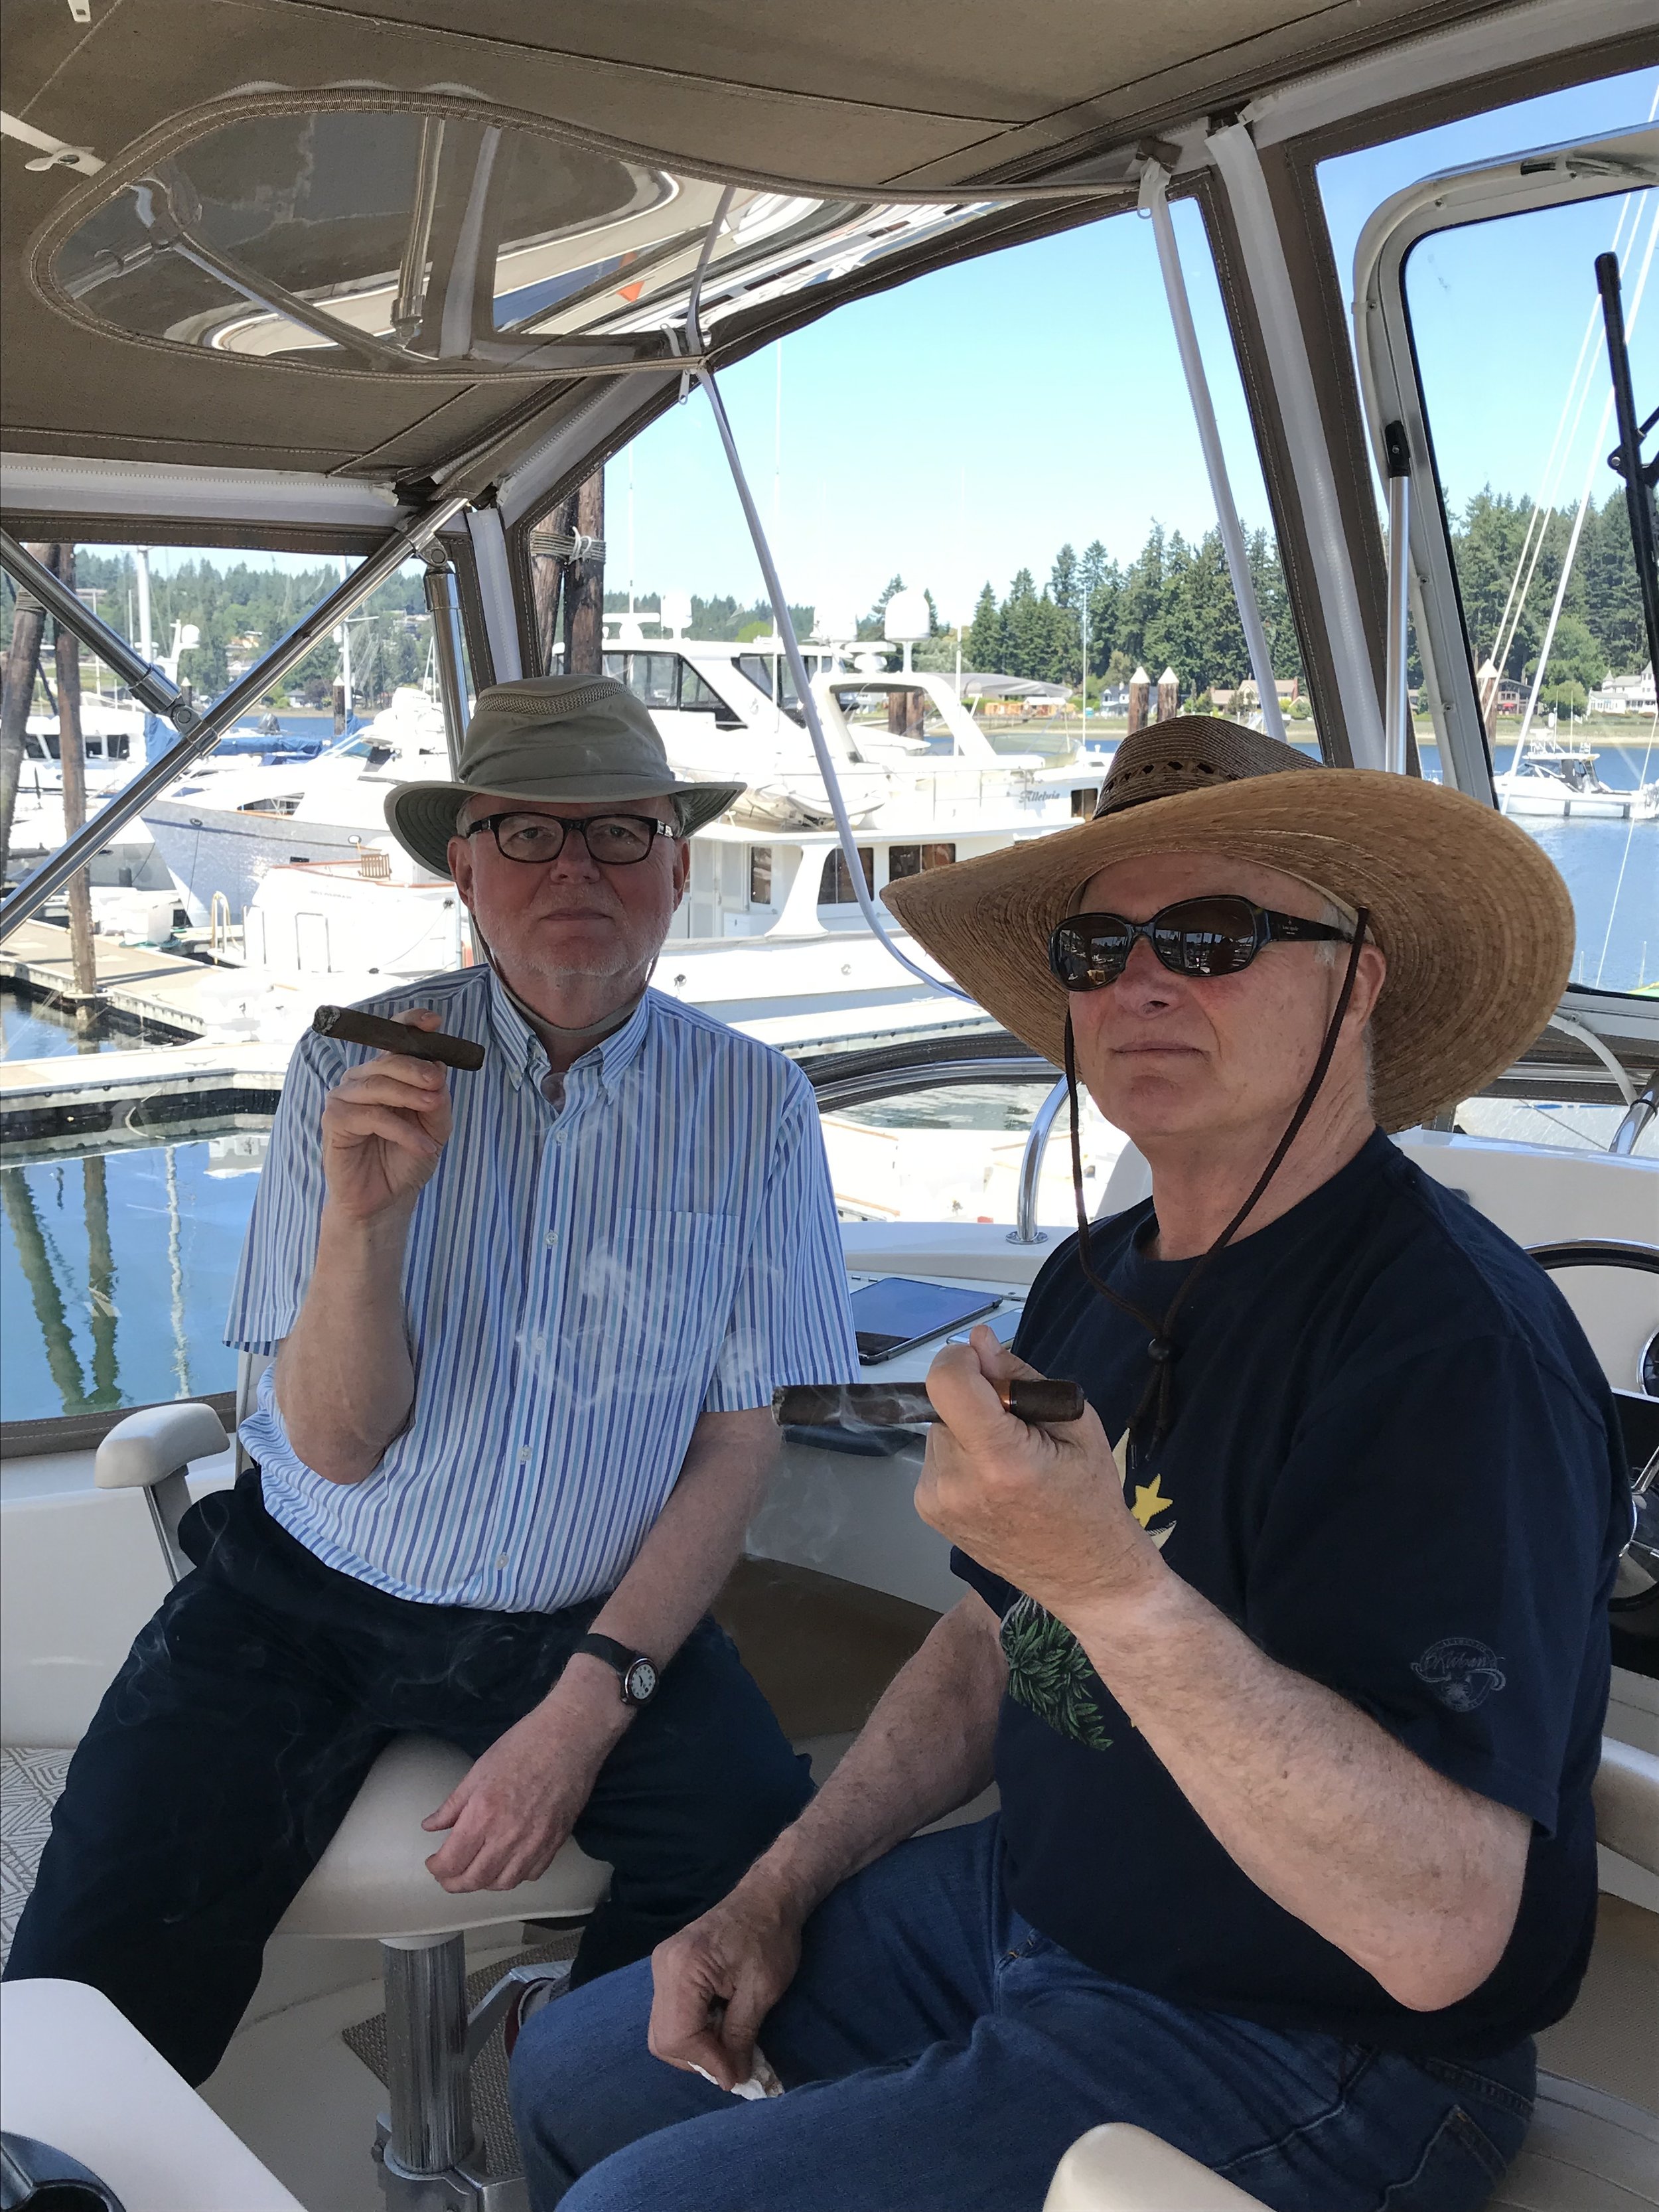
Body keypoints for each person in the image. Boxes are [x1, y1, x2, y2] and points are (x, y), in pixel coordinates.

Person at [509, 719, 1628, 2212]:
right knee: (570, 2078)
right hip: (1026, 1907)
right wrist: (775, 1887)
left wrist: (1109, 1578)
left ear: (1352, 980)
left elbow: (1439, 1933)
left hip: (1317, 2042)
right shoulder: (1089, 1279)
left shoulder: (1451, 1349)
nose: (1141, 979)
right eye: (1098, 944)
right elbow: (990, 1638)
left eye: (1215, 933)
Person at [6, 676, 858, 2085]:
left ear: (677, 865)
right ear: (462, 866)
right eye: (527, 834)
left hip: (582, 1616)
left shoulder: (754, 1101)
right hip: (301, 1591)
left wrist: (580, 1714)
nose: (575, 869)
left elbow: (734, 1440)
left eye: (618, 834)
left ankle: (575, 2082)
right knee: (92, 1962)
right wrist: (364, 1219)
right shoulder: (354, 1059)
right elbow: (334, 1444)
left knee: (753, 1846)